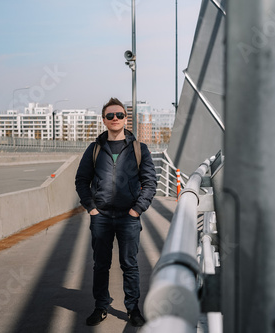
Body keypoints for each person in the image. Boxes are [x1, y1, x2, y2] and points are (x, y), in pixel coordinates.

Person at [75, 97, 157, 327]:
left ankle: (133, 309)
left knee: (129, 264)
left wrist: (136, 210)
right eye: (110, 115)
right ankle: (101, 306)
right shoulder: (95, 149)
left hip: (128, 217)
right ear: (104, 120)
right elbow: (82, 180)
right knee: (100, 264)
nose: (115, 119)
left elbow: (150, 182)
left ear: (125, 118)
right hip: (100, 217)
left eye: (119, 115)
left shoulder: (139, 149)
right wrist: (91, 209)